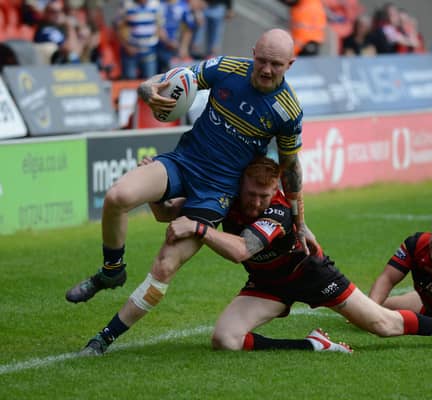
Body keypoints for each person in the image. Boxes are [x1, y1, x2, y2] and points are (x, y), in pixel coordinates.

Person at [80, 157, 432, 355]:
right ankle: (313, 345)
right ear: (241, 184)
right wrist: (156, 195)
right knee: (224, 340)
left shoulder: (279, 210)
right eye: (254, 194)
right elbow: (166, 215)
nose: (260, 201)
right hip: (266, 284)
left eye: (267, 194)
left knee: (384, 325)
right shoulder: (227, 197)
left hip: (310, 275)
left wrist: (200, 228)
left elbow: (241, 249)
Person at [65, 29, 318, 305]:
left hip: (217, 192)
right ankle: (112, 271)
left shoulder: (288, 111)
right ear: (253, 53)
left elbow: (291, 169)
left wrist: (300, 221)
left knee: (165, 265)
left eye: (277, 64)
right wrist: (148, 90)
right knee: (117, 197)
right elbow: (169, 79)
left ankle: (104, 340)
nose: (267, 70)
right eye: (262, 61)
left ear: (290, 65)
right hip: (183, 163)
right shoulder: (226, 68)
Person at [115, 0, 166, 79]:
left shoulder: (156, 4)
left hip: (150, 51)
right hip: (130, 52)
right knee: (129, 81)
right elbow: (118, 28)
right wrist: (127, 46)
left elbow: (160, 26)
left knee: (150, 81)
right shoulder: (126, 5)